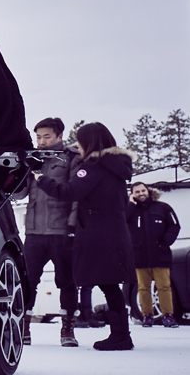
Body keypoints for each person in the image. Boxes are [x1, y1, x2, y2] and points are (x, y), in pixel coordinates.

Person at [35, 122, 135, 351]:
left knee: (108, 284)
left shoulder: (92, 167)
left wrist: (43, 180)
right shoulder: (116, 165)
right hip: (114, 230)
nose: (77, 146)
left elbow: (70, 192)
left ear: (89, 142)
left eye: (80, 141)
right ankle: (121, 334)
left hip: (98, 232)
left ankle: (121, 336)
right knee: (110, 284)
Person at [22, 118, 81, 347]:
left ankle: (67, 330)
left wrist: (72, 226)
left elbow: (76, 193)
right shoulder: (34, 158)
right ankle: (23, 328)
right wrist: (23, 168)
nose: (42, 141)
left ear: (59, 136)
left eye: (46, 137)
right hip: (34, 231)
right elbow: (19, 194)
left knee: (66, 282)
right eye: (38, 137)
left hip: (61, 230)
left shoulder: (70, 158)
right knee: (28, 281)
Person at [127, 182, 181, 328]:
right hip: (139, 255)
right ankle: (147, 316)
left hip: (160, 254)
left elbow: (174, 226)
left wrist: (165, 242)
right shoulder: (129, 210)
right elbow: (121, 223)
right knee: (143, 288)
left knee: (164, 286)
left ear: (148, 191)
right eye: (137, 192)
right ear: (132, 194)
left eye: (143, 191)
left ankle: (168, 316)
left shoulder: (163, 207)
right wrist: (130, 205)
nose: (141, 194)